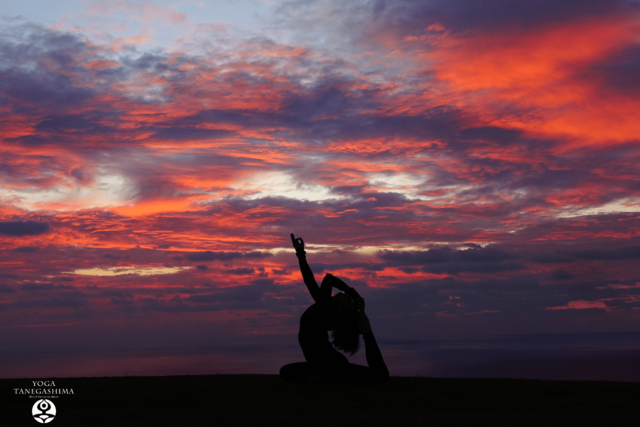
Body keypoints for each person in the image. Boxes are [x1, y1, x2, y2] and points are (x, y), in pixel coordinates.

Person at [279, 233, 389, 384]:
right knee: (285, 371)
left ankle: (324, 377)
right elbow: (310, 281)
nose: (344, 295)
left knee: (380, 376)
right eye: (347, 297)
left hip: (331, 363)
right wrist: (300, 253)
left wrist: (354, 294)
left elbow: (328, 278)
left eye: (347, 300)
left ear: (340, 310)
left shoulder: (326, 308)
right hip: (328, 363)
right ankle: (324, 377)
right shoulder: (324, 307)